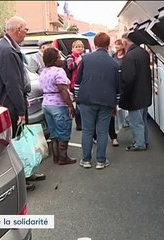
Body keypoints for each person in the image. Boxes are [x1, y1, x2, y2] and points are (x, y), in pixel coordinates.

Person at [0, 16, 45, 191]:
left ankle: (26, 172)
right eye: (26, 30)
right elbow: (12, 83)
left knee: (20, 141)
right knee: (14, 144)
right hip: (9, 106)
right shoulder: (7, 50)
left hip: (12, 103)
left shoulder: (9, 47)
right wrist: (20, 110)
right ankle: (20, 178)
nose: (26, 33)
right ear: (18, 29)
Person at [75, 32, 120, 169]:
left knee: (87, 131)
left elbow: (78, 82)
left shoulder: (86, 59)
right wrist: (115, 104)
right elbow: (117, 87)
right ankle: (101, 160)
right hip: (106, 101)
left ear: (95, 44)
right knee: (102, 131)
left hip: (86, 100)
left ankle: (86, 160)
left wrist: (77, 99)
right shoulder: (114, 63)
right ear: (108, 45)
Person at [39, 47, 77, 165]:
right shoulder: (59, 71)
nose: (61, 60)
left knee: (53, 131)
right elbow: (63, 91)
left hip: (46, 104)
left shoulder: (43, 72)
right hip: (58, 105)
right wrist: (71, 106)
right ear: (54, 60)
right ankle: (63, 157)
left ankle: (56, 157)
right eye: (59, 58)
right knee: (64, 129)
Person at [119, 33, 152, 151]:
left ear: (126, 43)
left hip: (134, 95)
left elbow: (127, 79)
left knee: (136, 121)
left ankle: (139, 143)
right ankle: (144, 140)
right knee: (142, 120)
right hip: (145, 92)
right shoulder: (143, 53)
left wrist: (123, 93)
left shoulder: (129, 56)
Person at [92, 39, 127, 147]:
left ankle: (112, 137)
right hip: (104, 93)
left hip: (104, 92)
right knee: (105, 117)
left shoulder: (110, 60)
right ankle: (101, 138)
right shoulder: (111, 59)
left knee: (106, 118)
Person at [66, 40, 85, 131]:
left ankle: (83, 122)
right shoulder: (70, 57)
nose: (79, 48)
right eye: (77, 47)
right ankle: (79, 123)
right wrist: (78, 61)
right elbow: (70, 66)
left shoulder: (85, 57)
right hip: (74, 84)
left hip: (84, 83)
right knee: (78, 104)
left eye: (80, 47)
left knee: (83, 104)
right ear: (73, 48)